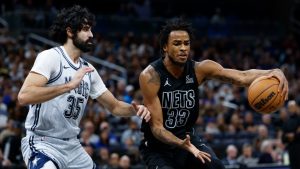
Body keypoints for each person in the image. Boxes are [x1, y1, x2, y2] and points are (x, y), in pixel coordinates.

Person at [138, 17, 288, 169]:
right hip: (157, 147)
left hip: (187, 137)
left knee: (216, 166)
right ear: (165, 47)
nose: (183, 48)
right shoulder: (151, 76)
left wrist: (273, 72)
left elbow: (241, 77)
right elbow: (157, 128)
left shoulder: (200, 69)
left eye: (186, 43)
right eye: (177, 44)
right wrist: (182, 144)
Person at [17, 5, 151, 169]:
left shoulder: (89, 70)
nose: (91, 34)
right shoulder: (50, 57)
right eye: (86, 29)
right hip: (42, 142)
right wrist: (68, 86)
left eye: (91, 30)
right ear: (70, 31)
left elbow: (115, 106)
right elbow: (24, 96)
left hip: (72, 146)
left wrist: (135, 110)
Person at [281, 100, 300, 169]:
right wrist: (293, 135)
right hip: (291, 149)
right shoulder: (286, 122)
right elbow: (283, 138)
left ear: (296, 107)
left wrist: (293, 135)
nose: (291, 108)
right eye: (289, 107)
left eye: (292, 107)